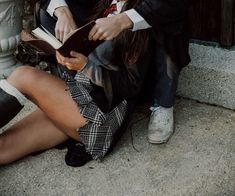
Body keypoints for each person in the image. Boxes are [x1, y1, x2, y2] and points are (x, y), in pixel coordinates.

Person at [0, 0, 152, 166]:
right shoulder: (104, 5)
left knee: (23, 76)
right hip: (77, 100)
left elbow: (130, 85)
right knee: (4, 147)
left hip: (100, 115)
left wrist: (86, 66)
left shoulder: (137, 19)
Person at [41, 0, 190, 144]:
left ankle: (163, 102)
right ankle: (72, 83)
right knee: (52, 10)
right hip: (99, 77)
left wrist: (121, 21)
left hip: (131, 76)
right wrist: (62, 13)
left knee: (24, 76)